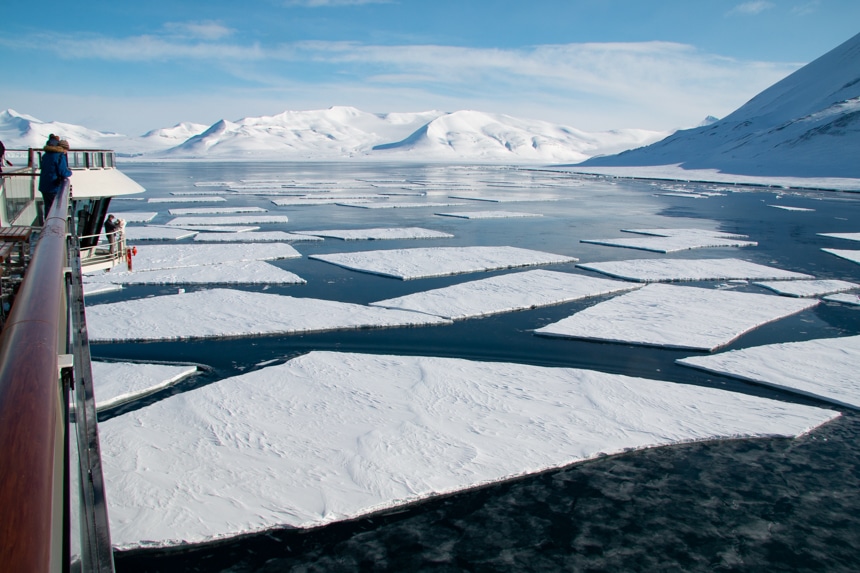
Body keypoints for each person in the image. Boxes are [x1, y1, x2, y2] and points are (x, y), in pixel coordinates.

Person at [37, 136, 72, 219]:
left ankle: (47, 225)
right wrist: (69, 172)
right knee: (54, 209)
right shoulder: (59, 156)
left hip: (44, 185)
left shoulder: (46, 155)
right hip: (53, 186)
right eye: (66, 150)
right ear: (63, 148)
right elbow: (63, 172)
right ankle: (51, 228)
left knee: (48, 208)